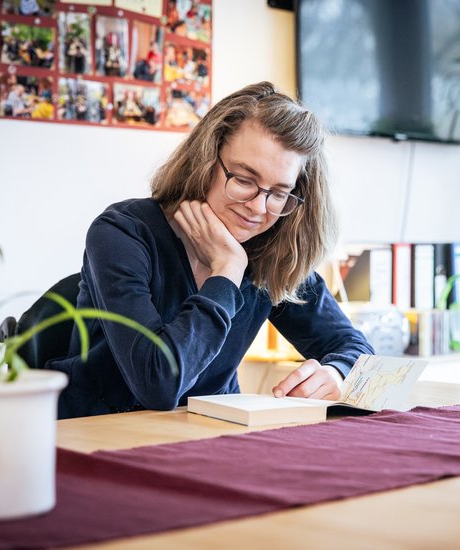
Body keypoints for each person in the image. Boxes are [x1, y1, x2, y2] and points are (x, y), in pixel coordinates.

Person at [48, 81, 373, 419]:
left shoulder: (270, 251)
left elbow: (359, 353)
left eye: (278, 193)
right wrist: (226, 272)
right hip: (96, 434)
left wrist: (336, 372)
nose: (259, 208)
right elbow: (158, 384)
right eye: (245, 180)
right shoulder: (123, 232)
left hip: (208, 435)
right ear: (206, 159)